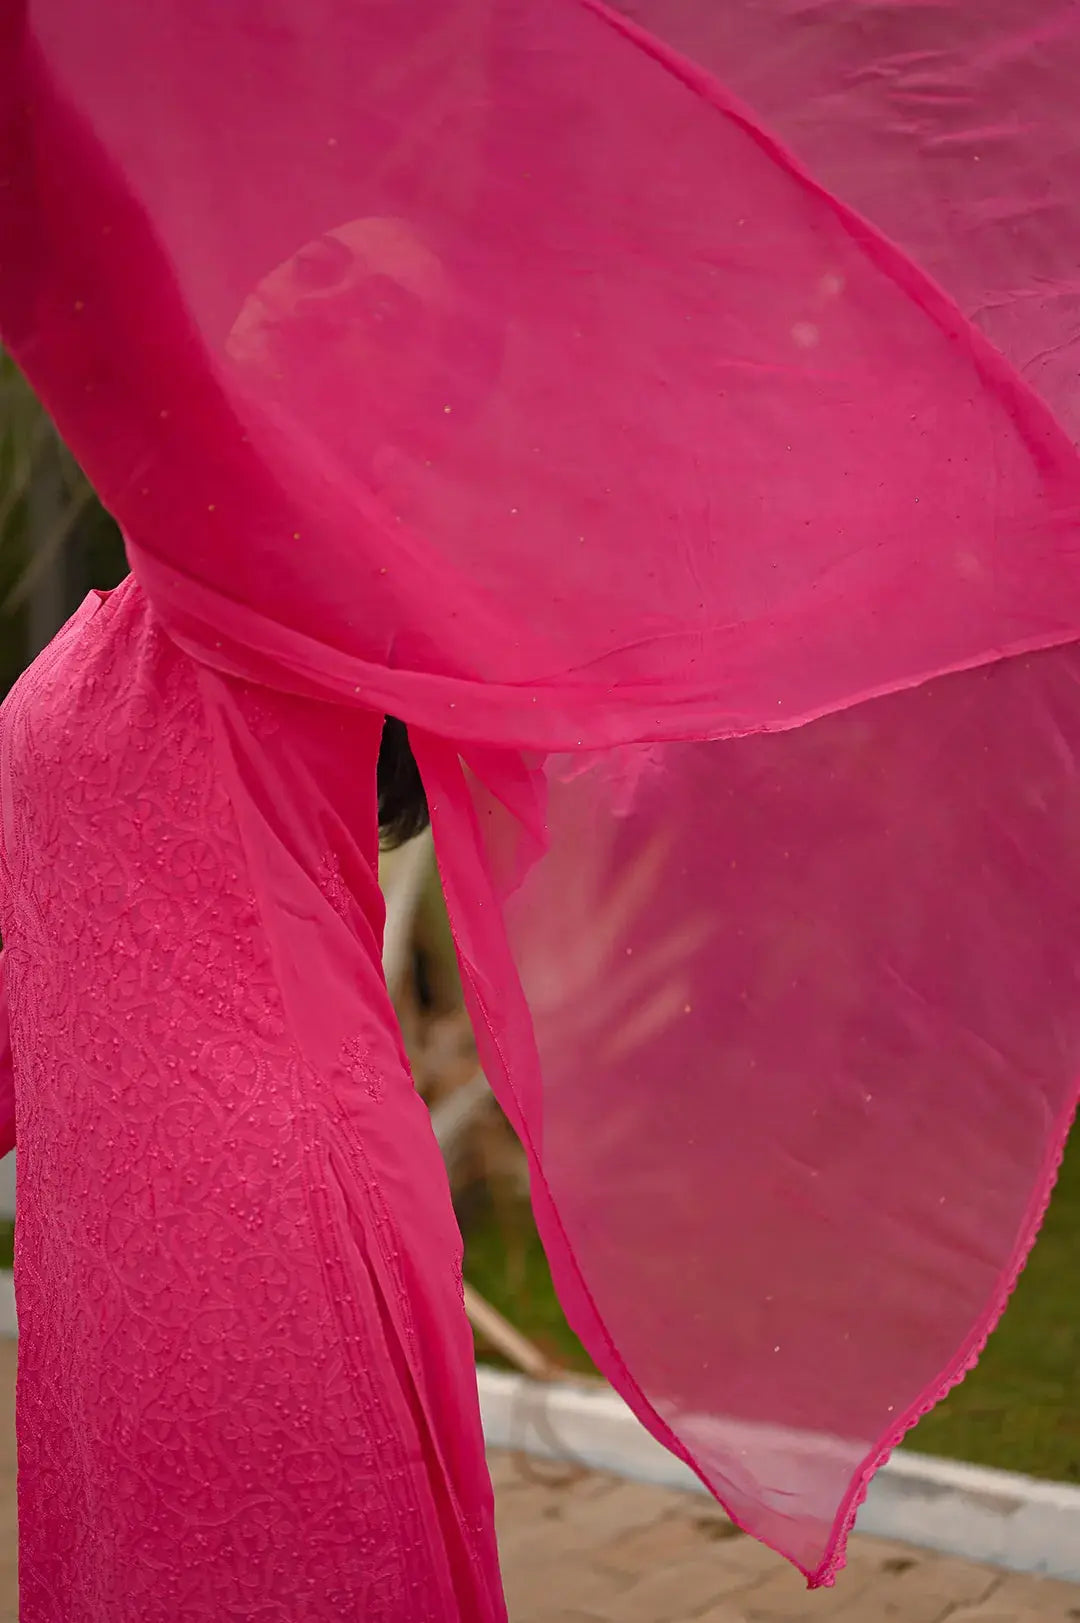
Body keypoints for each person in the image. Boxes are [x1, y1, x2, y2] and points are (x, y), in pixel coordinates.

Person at [3, 2, 1080, 1619]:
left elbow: (71, 238)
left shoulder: (263, 574)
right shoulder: (173, 604)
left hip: (249, 1217)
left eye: (366, 292)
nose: (298, 277)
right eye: (310, 255)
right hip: (116, 1219)